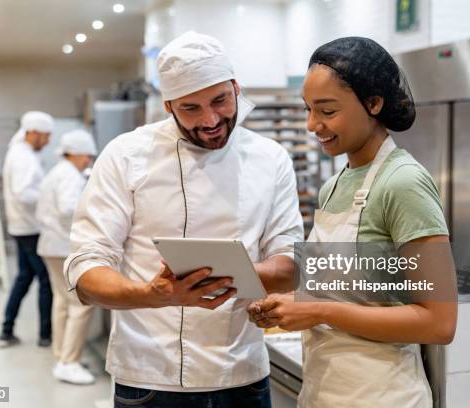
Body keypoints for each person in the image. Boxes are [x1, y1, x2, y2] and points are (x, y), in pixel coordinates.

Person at [64, 32, 303, 407]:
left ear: (237, 87)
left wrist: (242, 279)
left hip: (243, 376)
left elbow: (290, 262)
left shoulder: (270, 159)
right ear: (167, 105)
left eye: (220, 101)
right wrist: (152, 294)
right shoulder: (126, 156)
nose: (210, 120)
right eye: (190, 108)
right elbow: (85, 269)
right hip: (150, 377)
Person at [248, 37, 458, 408]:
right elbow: (342, 286)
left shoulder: (403, 182)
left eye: (327, 111)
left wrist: (316, 311)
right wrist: (285, 302)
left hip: (382, 395)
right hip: (327, 392)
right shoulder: (336, 184)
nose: (313, 125)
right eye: (308, 110)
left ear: (374, 103)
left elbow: (438, 323)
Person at [36, 129, 97, 385]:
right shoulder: (70, 175)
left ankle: (62, 356)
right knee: (81, 304)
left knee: (62, 302)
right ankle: (69, 362)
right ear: (77, 153)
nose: (89, 161)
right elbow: (68, 208)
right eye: (88, 157)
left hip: (51, 245)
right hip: (62, 247)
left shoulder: (59, 171)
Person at [0, 111, 54, 348]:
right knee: (46, 280)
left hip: (21, 226)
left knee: (24, 278)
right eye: (46, 136)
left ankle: (6, 330)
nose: (48, 141)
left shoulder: (20, 152)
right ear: (33, 133)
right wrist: (49, 196)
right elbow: (23, 194)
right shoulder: (23, 157)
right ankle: (45, 336)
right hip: (30, 228)